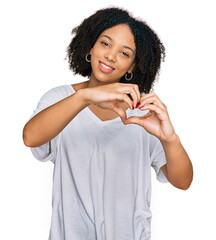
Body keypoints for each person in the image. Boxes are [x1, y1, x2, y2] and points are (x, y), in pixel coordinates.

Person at [23, 7, 193, 240]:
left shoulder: (143, 113)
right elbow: (30, 137)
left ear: (132, 66)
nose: (111, 56)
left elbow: (183, 182)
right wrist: (84, 96)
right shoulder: (60, 99)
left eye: (124, 53)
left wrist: (169, 139)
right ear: (91, 47)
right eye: (105, 43)